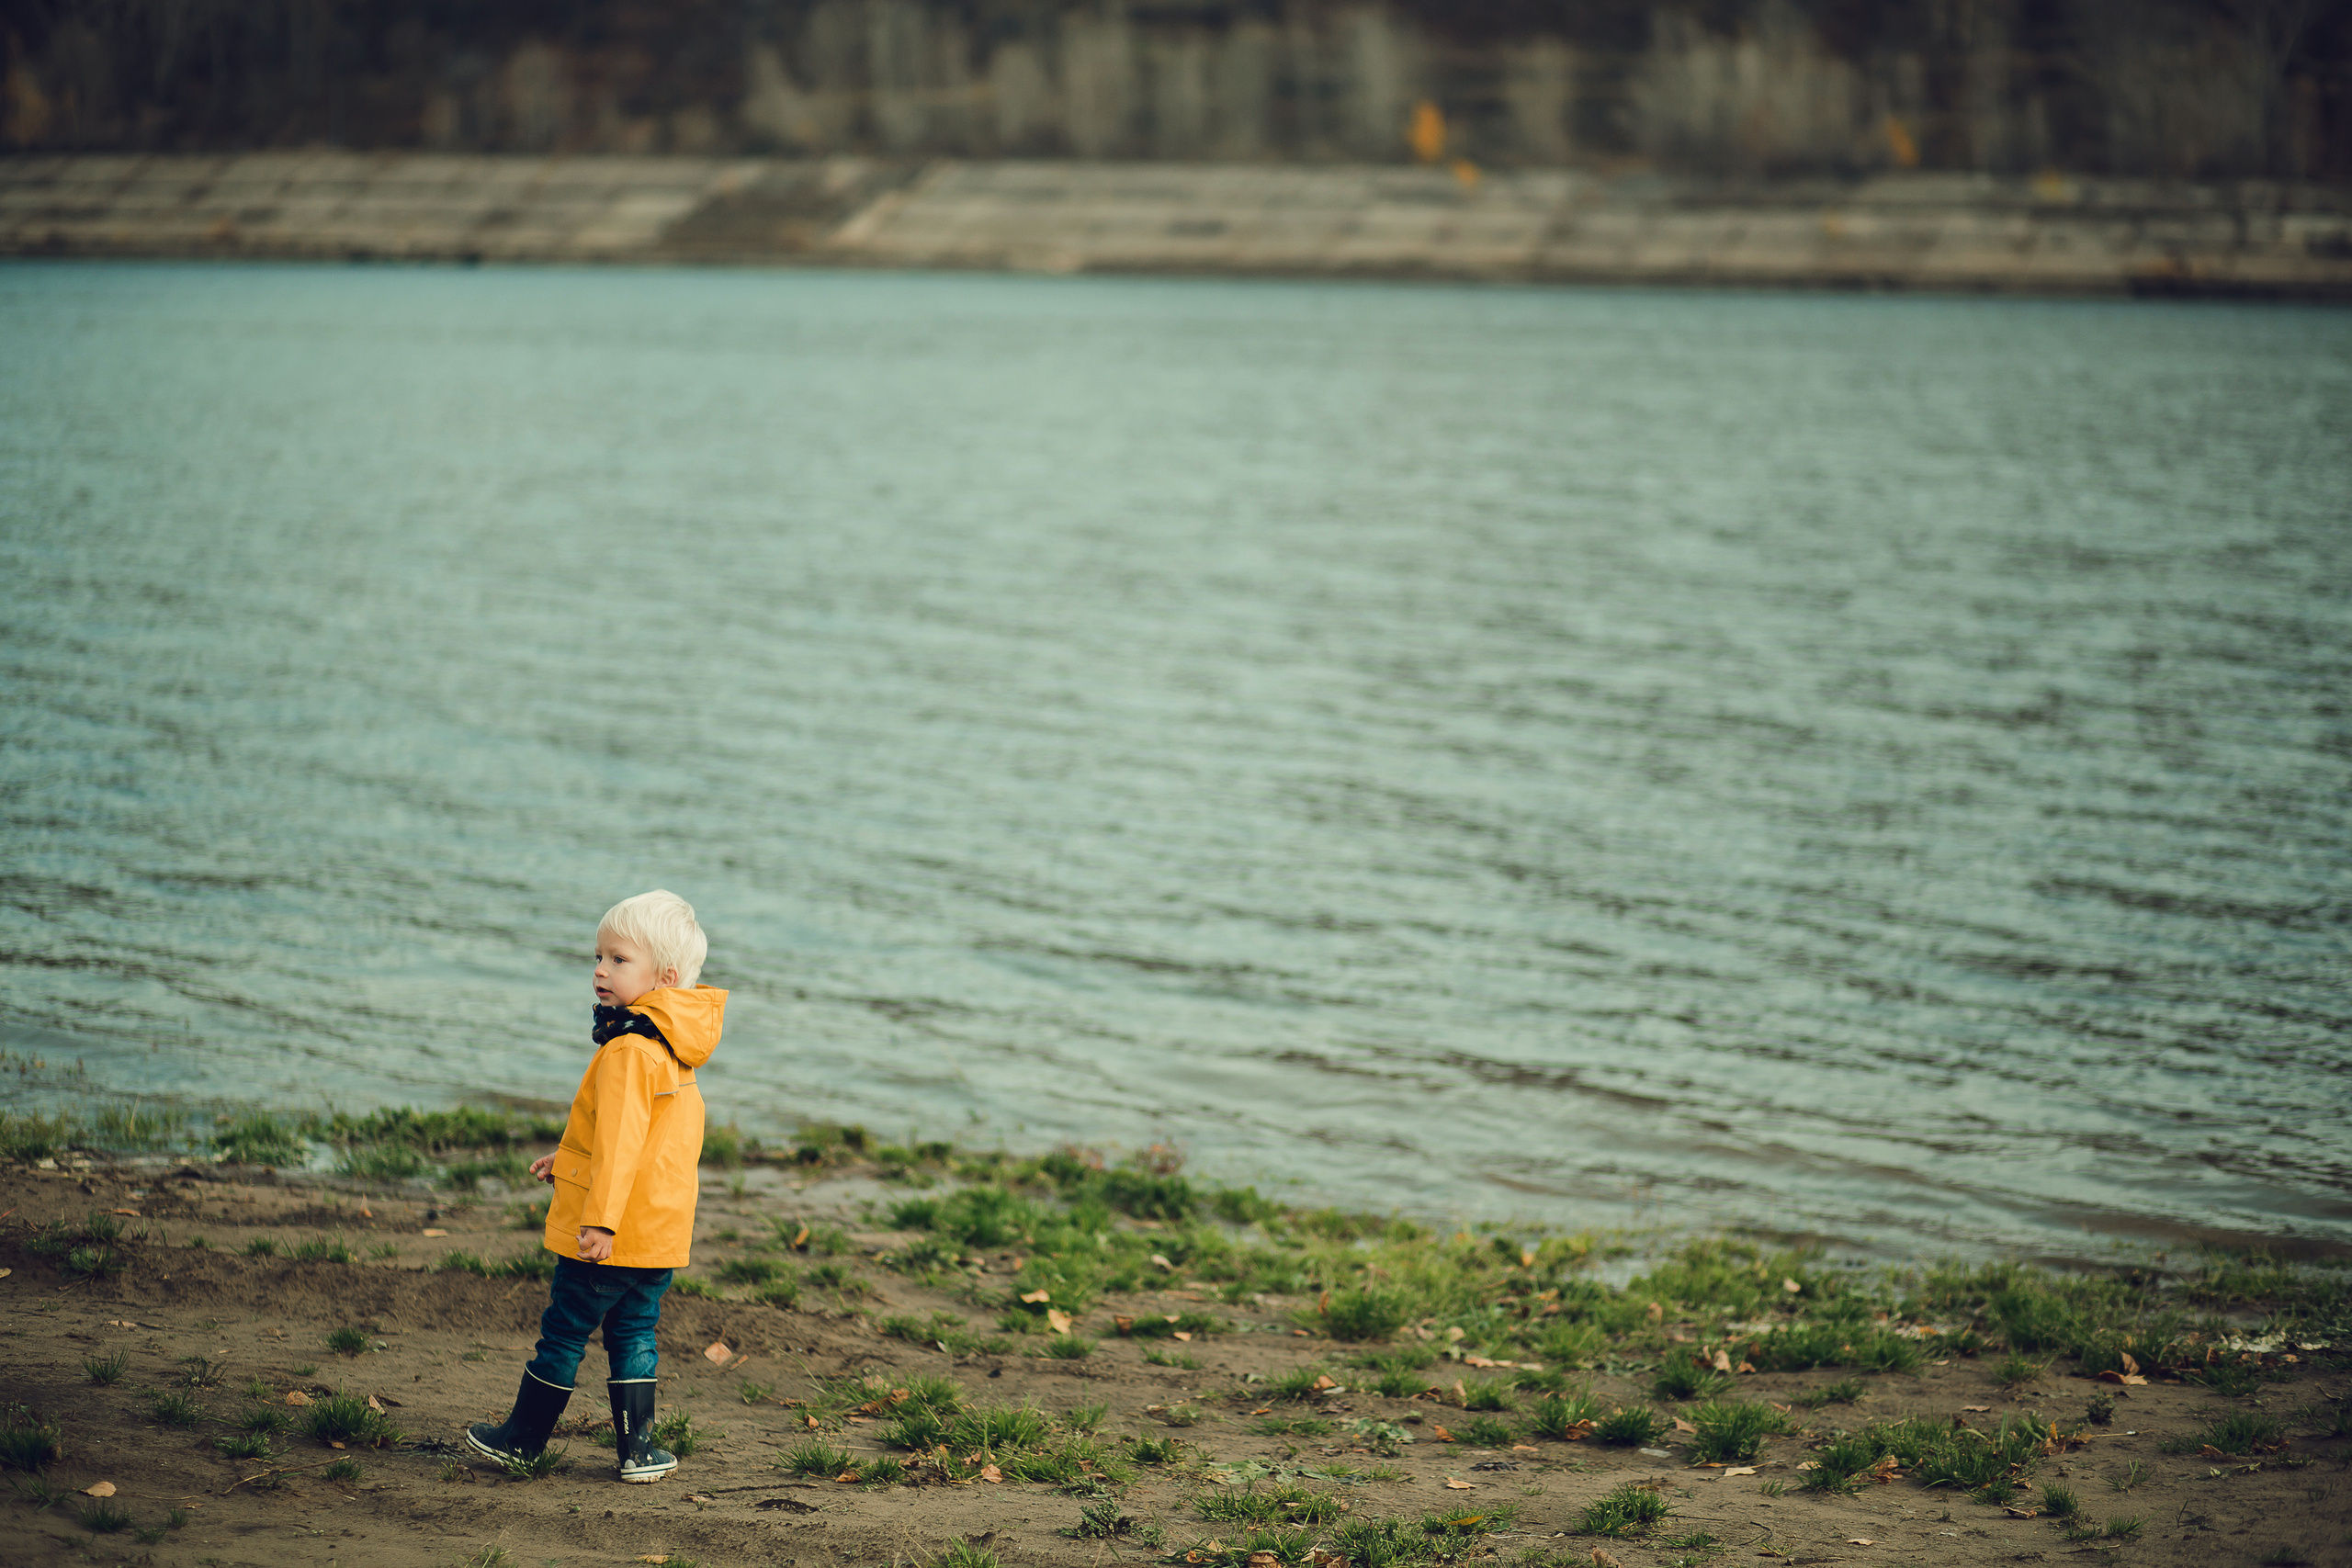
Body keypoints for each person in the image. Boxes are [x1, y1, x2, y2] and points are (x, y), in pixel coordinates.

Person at [465, 889, 726, 1483]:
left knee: (563, 1328)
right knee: (634, 1330)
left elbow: (622, 1143)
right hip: (656, 1233)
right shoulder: (673, 1047)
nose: (600, 970)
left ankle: (523, 1439)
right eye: (599, 956)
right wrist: (570, 1154)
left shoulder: (631, 1048)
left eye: (617, 959)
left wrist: (601, 1219)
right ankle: (638, 1451)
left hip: (609, 1232)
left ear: (665, 976)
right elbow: (640, 1138)